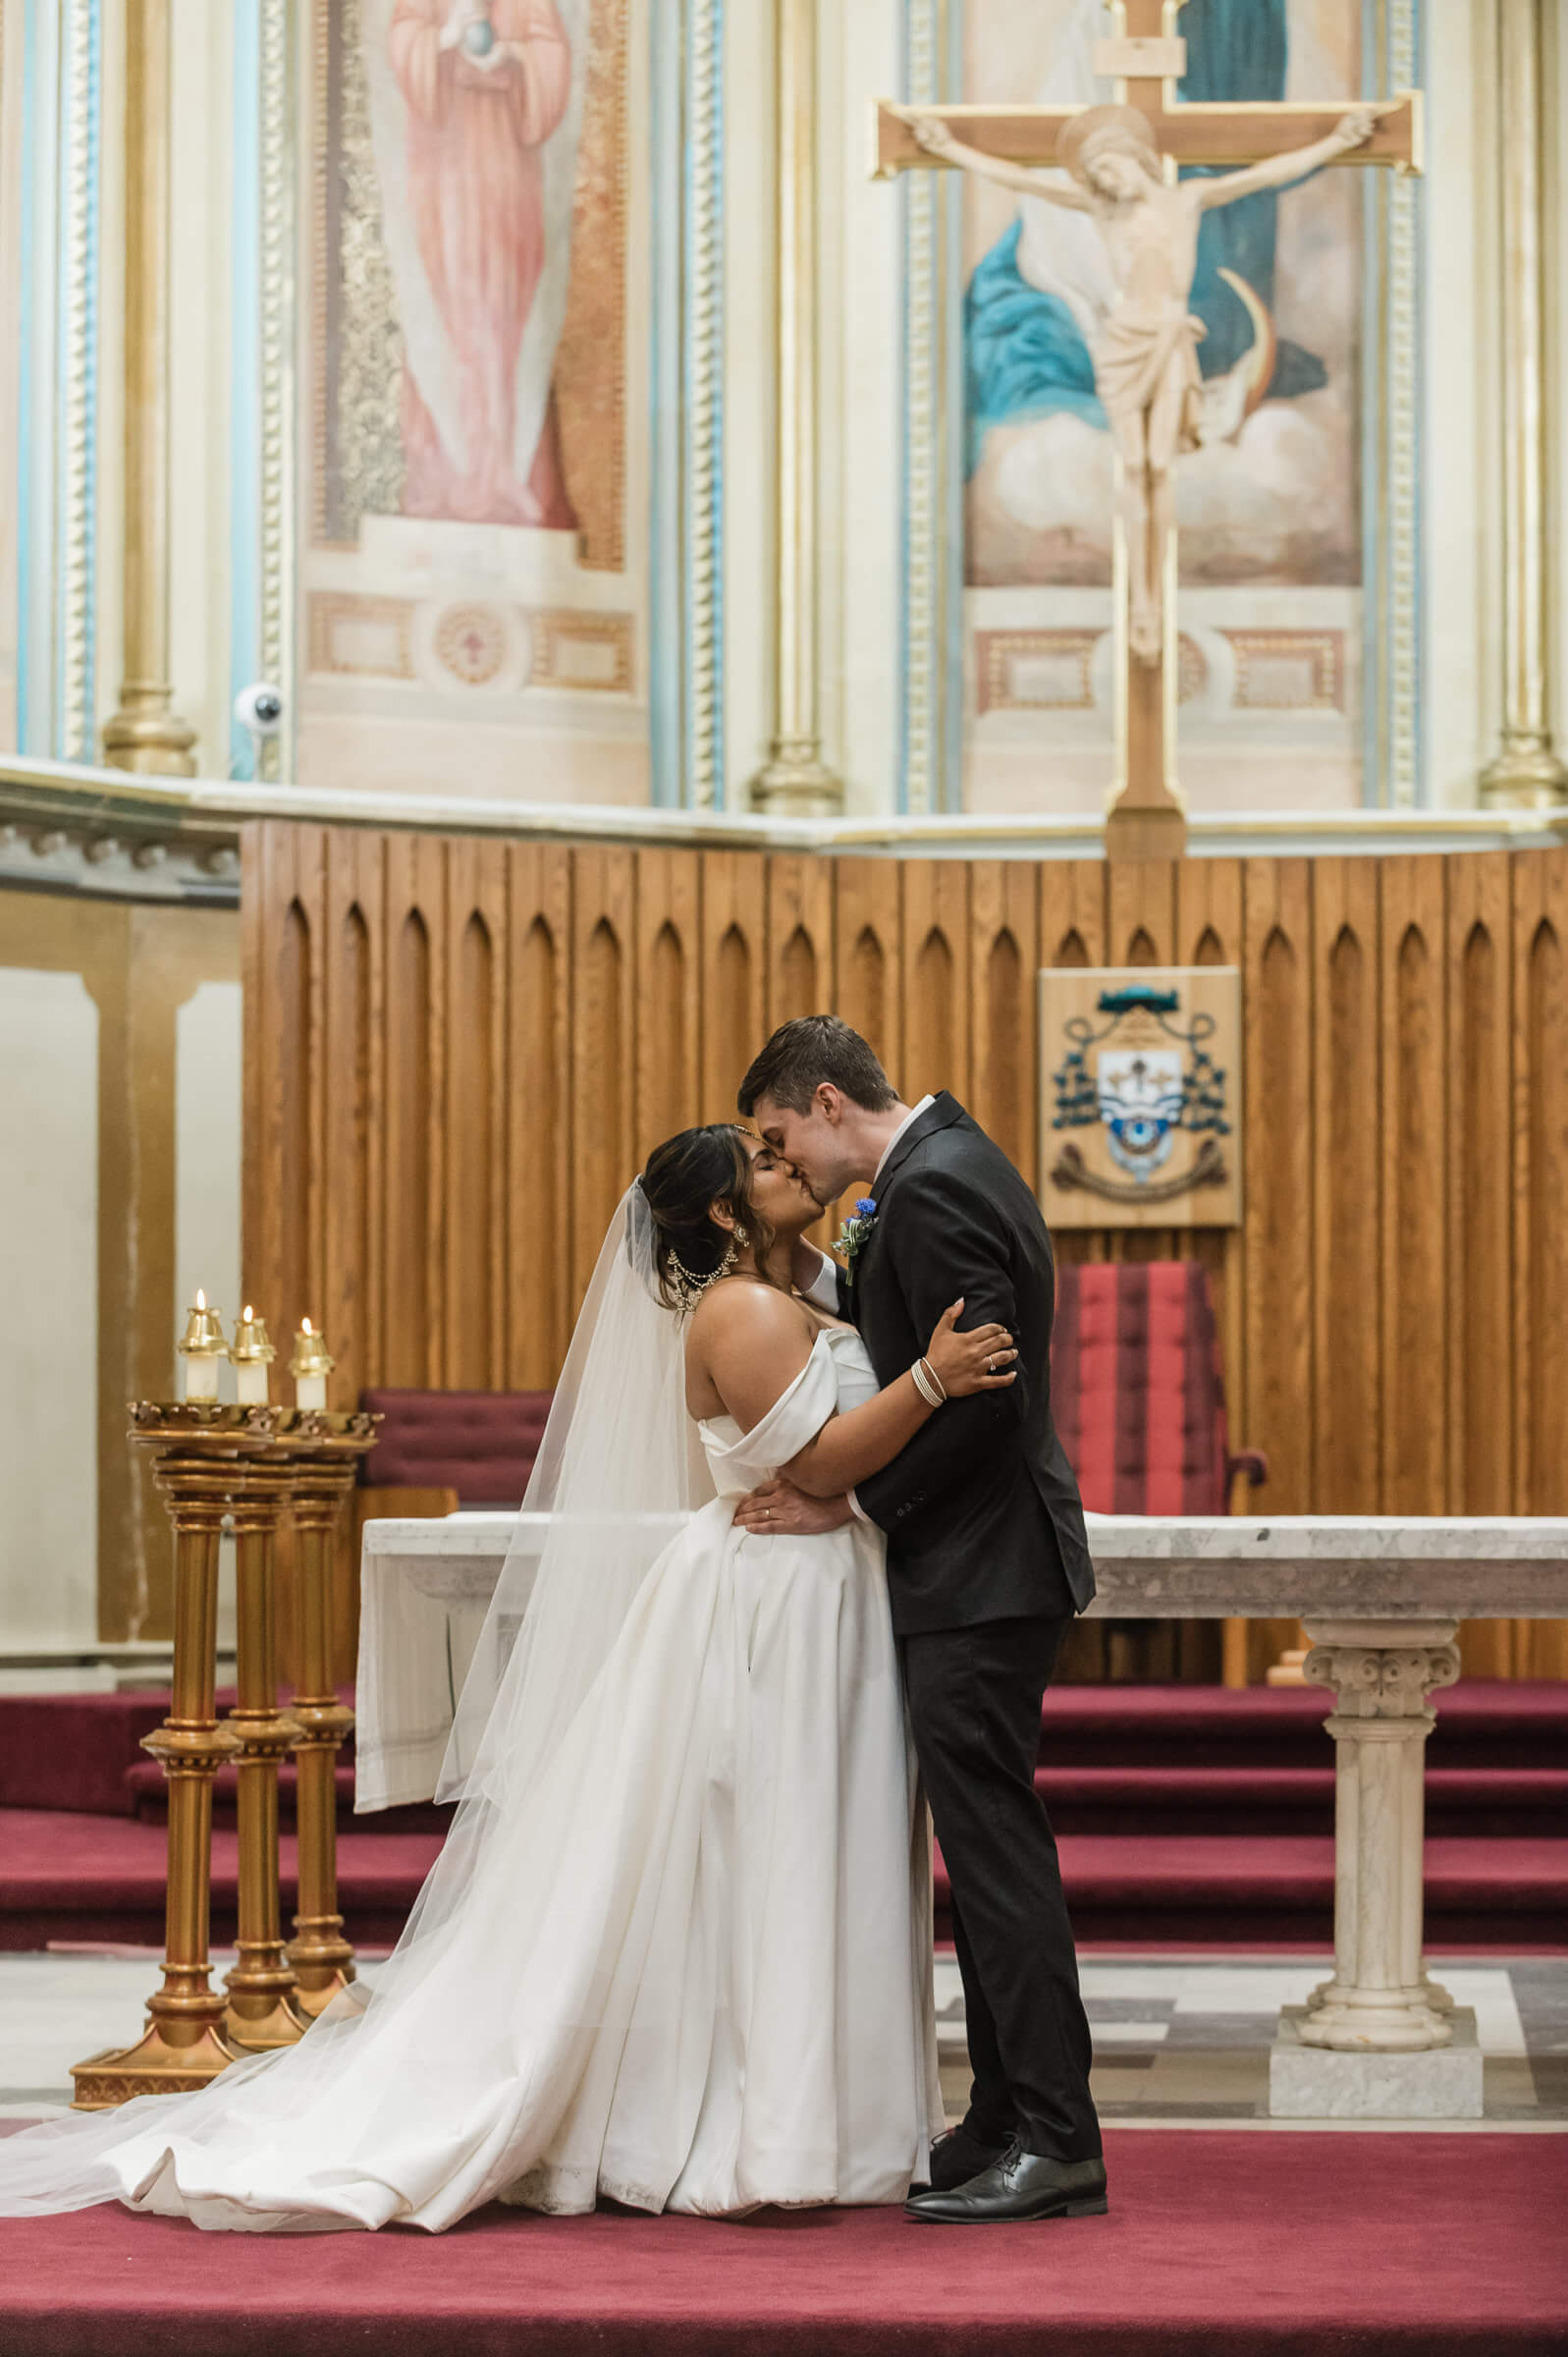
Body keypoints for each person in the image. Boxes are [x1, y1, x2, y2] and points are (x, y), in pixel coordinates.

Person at [0, 1127, 1015, 2230]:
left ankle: (829, 2116)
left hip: (824, 1590)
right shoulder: (738, 1312)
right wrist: (927, 1377)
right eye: (762, 1165)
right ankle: (765, 2122)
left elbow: (832, 1439)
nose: (788, 1167)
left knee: (810, 1842)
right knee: (774, 1844)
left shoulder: (796, 1292)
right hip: (778, 1604)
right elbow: (814, 1463)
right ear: (724, 1217)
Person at [739, 1015, 1107, 2224]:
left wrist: (845, 1497)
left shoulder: (937, 1185)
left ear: (831, 1101)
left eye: (782, 1136)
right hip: (977, 1564)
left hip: (981, 1566)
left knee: (996, 1857)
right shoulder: (930, 1171)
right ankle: (1002, 2116)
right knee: (982, 1851)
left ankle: (1055, 2137)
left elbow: (981, 1397)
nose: (783, 1163)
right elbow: (919, 1345)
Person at [902, 99, 1375, 661]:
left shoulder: (1187, 200)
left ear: (1135, 159)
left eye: (1112, 168)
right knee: (1132, 467)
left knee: (1159, 467)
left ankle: (1156, 591)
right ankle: (1142, 600)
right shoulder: (1103, 213)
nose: (1107, 181)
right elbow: (1020, 177)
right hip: (1123, 347)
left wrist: (1338, 143)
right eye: (1097, 175)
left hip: (1172, 342)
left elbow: (1265, 174)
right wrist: (947, 149)